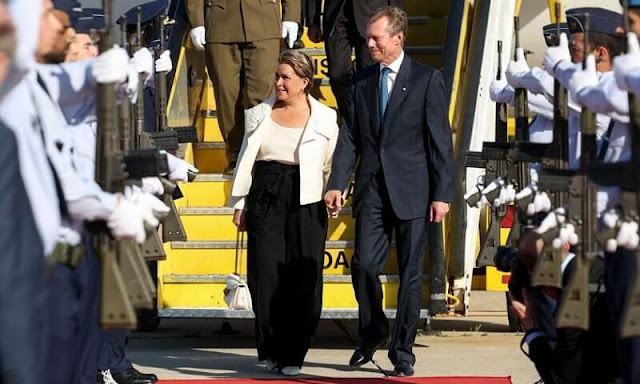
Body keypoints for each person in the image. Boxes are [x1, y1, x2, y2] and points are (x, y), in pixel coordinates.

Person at [324, 7, 454, 377]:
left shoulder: (427, 79)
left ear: (398, 39)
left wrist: (442, 193)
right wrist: (337, 183)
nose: (368, 43)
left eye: (375, 38)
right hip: (371, 189)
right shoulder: (362, 81)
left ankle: (403, 351)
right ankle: (374, 329)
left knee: (412, 274)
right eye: (367, 37)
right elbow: (350, 136)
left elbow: (440, 141)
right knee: (364, 264)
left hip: (414, 190)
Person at [228, 49, 338, 377]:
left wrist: (335, 194)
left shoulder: (325, 117)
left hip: (307, 195)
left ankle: (294, 352)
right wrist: (240, 203)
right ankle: (271, 347)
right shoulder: (257, 113)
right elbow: (245, 162)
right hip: (265, 192)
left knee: (304, 277)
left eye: (286, 78)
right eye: (277, 76)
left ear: (305, 82)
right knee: (265, 275)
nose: (278, 83)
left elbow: (331, 163)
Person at [186, 0, 301, 174]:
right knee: (227, 95)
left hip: (263, 18)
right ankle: (236, 154)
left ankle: (262, 153)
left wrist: (291, 14)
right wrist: (196, 20)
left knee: (263, 93)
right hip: (220, 19)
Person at [306, 0, 405, 117]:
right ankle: (350, 117)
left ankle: (368, 119)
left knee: (370, 74)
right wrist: (313, 21)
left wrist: (397, 19)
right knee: (337, 73)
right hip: (336, 14)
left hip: (373, 13)